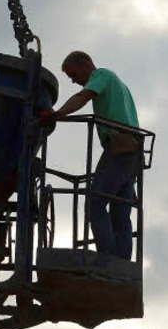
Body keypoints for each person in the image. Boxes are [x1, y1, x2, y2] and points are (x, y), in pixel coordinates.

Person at [41, 51, 141, 259]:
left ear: (85, 63)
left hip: (119, 147)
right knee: (120, 213)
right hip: (133, 151)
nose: (73, 80)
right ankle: (122, 265)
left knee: (95, 204)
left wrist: (57, 114)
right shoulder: (120, 85)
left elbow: (82, 97)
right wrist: (130, 176)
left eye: (73, 73)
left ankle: (106, 260)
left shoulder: (101, 75)